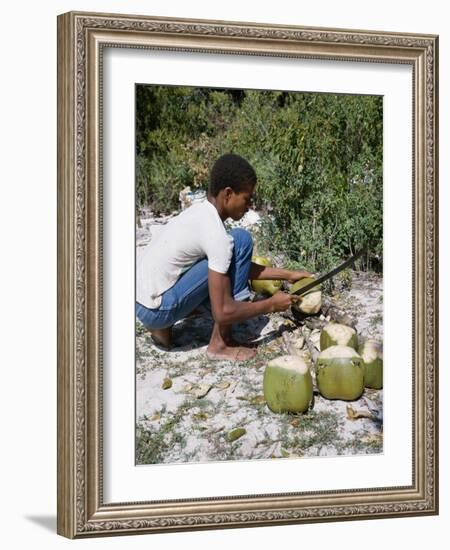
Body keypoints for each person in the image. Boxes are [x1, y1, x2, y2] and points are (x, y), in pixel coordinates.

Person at [136, 153, 311, 361]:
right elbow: (222, 312)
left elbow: (237, 265)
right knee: (241, 240)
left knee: (235, 244)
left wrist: (287, 274)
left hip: (142, 302)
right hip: (159, 308)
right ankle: (219, 344)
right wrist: (271, 305)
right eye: (247, 198)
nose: (249, 205)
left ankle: (161, 327)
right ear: (228, 194)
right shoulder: (216, 235)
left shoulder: (199, 213)